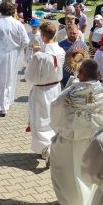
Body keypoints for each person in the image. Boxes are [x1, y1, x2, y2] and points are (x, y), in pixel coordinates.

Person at [50, 59, 103, 205]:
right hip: (95, 141)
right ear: (97, 74)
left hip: (71, 140)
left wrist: (58, 129)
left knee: (65, 171)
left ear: (80, 74)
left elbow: (55, 108)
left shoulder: (70, 91)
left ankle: (67, 204)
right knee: (91, 174)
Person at [25, 22, 65, 166]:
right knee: (52, 118)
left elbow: (29, 77)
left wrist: (33, 58)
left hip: (41, 90)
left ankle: (45, 148)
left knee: (40, 120)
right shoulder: (61, 51)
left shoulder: (40, 56)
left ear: (42, 35)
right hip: (55, 88)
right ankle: (52, 146)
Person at [0, 2, 29, 117]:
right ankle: (5, 103)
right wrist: (19, 48)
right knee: (10, 79)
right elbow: (25, 41)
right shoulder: (18, 24)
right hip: (13, 54)